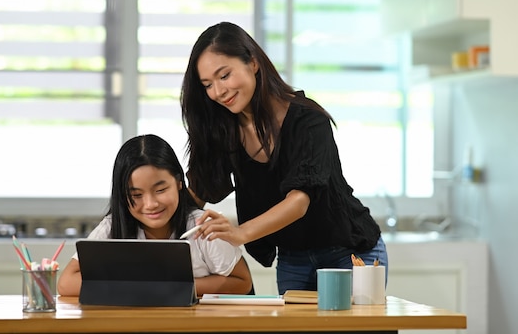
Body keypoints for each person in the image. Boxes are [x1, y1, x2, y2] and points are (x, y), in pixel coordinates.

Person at [180, 21, 388, 294]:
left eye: (225, 75)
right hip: (294, 258)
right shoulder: (224, 131)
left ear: (253, 63)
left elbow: (299, 201)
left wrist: (239, 233)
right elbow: (198, 193)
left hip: (349, 252)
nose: (218, 91)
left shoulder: (308, 121)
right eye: (207, 84)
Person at [57, 134, 253, 297]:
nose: (150, 204)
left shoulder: (200, 226)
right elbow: (66, 284)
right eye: (136, 195)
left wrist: (169, 286)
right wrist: (143, 286)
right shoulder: (112, 227)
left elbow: (242, 283)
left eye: (160, 190)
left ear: (179, 183)